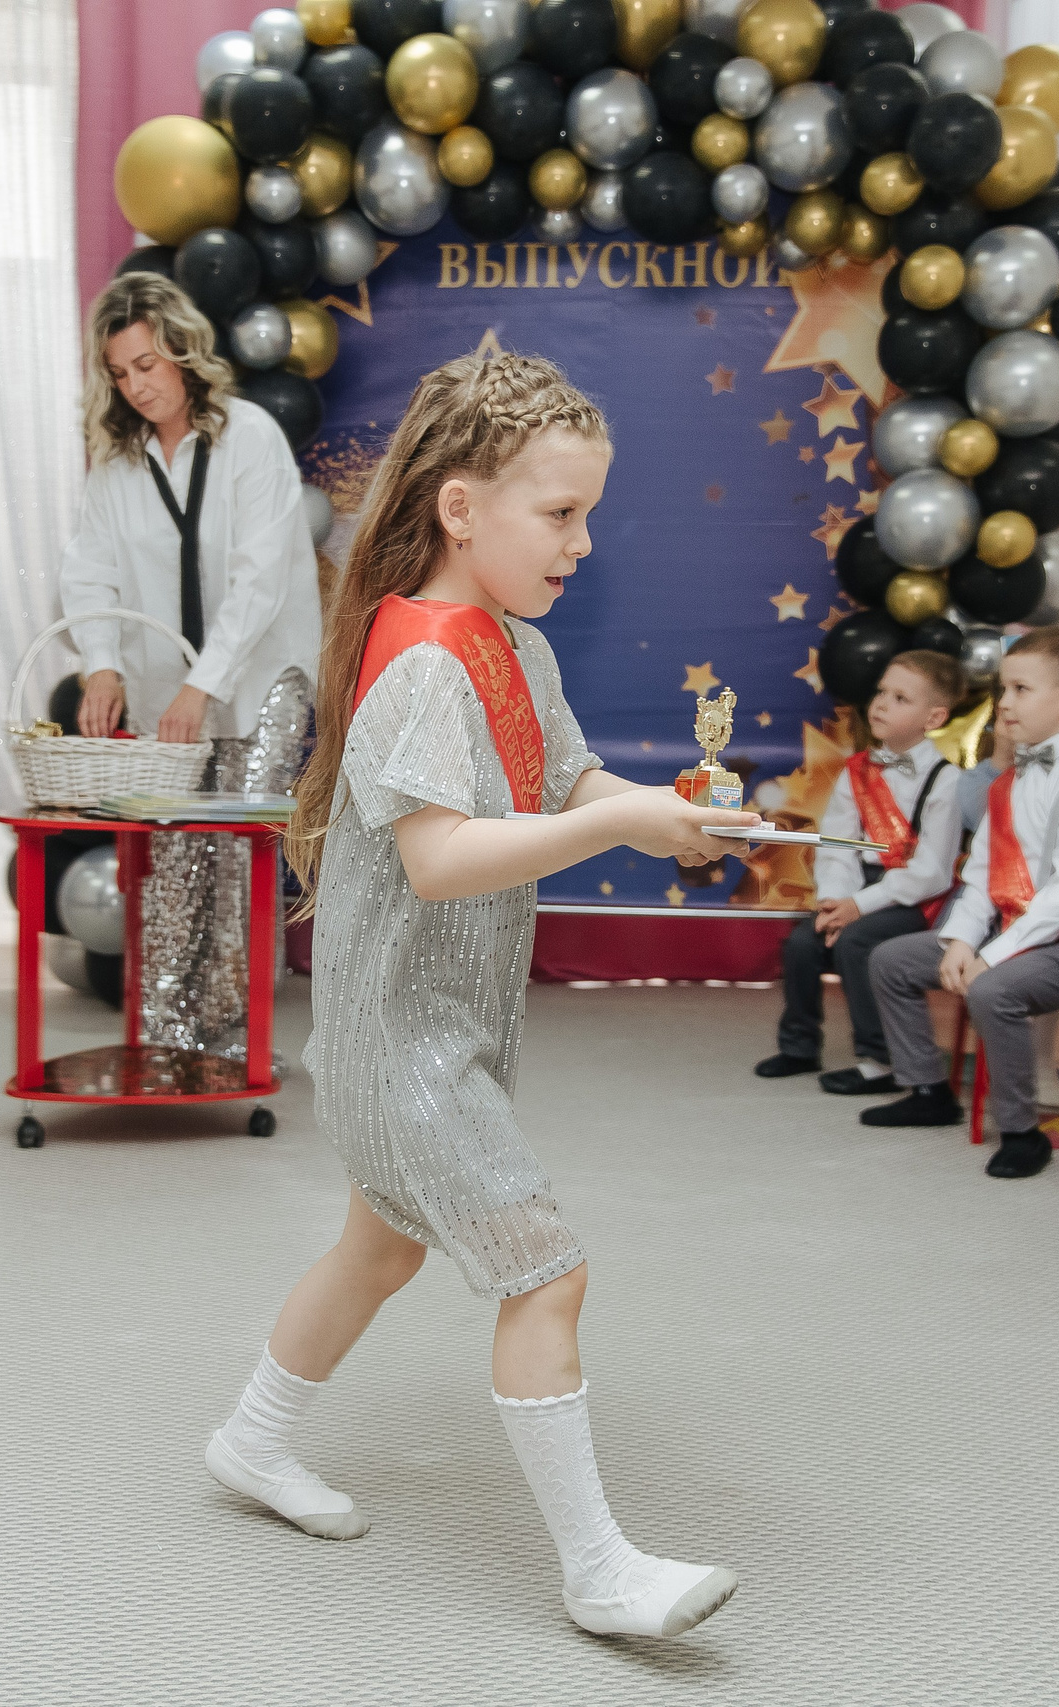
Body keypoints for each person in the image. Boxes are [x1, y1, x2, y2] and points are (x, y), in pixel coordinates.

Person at [201, 352, 753, 1639]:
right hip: (403, 1047)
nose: (582, 541)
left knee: (377, 1247)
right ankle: (599, 1570)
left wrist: (670, 817)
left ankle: (251, 1439)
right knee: (543, 1272)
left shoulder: (510, 646)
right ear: (462, 510)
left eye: (586, 514)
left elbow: (566, 785)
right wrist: (621, 832)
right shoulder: (424, 667)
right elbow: (441, 859)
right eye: (557, 515)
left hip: (435, 1032)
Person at [59, 273, 321, 1057]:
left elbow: (260, 577)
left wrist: (203, 683)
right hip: (159, 685)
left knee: (234, 846)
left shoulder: (250, 436)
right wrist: (100, 664)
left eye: (147, 363)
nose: (136, 385)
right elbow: (88, 570)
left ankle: (233, 1039)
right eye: (119, 372)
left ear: (182, 351)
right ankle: (168, 1033)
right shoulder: (118, 466)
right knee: (171, 848)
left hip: (260, 679)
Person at [862, 626, 1059, 1180]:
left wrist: (992, 955)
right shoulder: (1009, 781)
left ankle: (1021, 1131)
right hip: (1009, 929)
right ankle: (930, 1089)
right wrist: (961, 941)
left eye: (1020, 690)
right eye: (1002, 689)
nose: (1003, 703)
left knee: (991, 988)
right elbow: (983, 872)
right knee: (892, 960)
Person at [753, 650, 964, 1093]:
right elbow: (837, 846)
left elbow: (931, 872)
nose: (882, 704)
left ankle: (879, 1059)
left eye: (901, 698)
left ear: (935, 716)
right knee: (802, 943)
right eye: (882, 692)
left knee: (857, 941)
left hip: (914, 899)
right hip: (856, 887)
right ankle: (799, 1044)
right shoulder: (857, 771)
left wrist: (857, 907)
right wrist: (834, 900)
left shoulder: (947, 781)